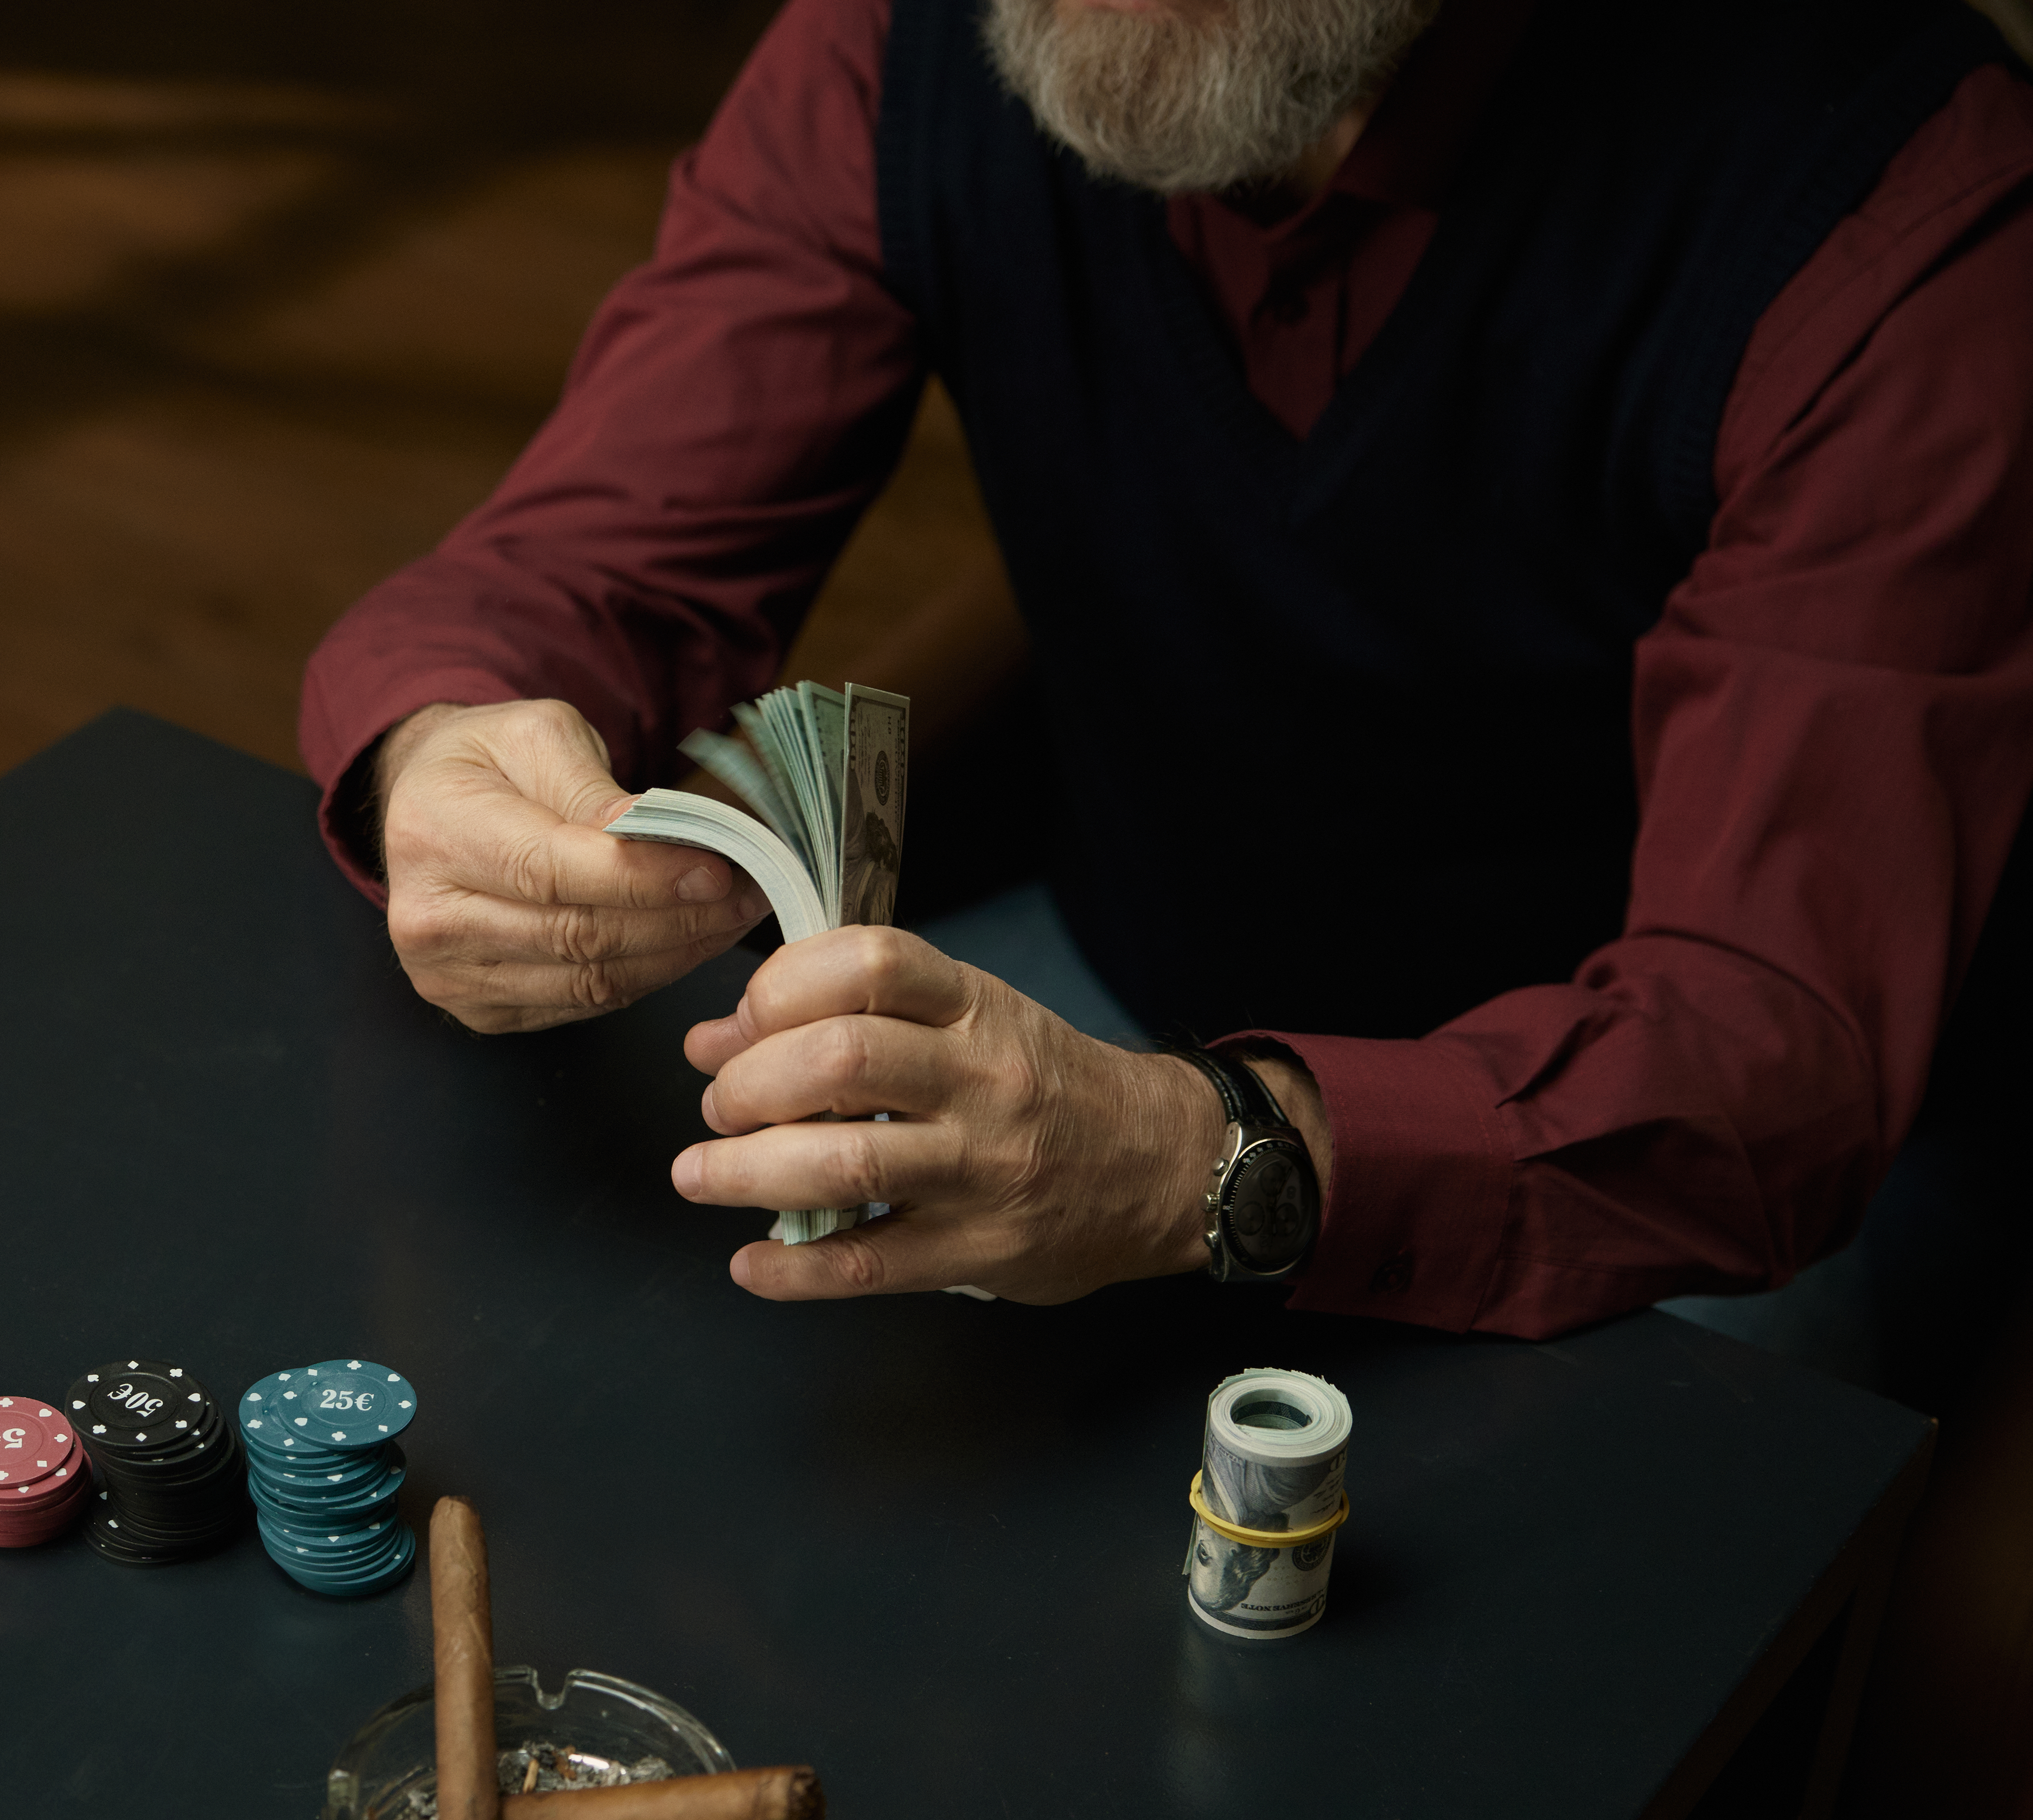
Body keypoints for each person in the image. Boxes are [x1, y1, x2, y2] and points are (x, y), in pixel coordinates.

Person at [301, 0, 2033, 1384]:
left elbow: (1766, 1071)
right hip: (1113, 986)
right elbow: (590, 569)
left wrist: (1190, 1159)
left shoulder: (1909, 219)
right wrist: (441, 749)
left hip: (1680, 1174)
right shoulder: (897, 41)